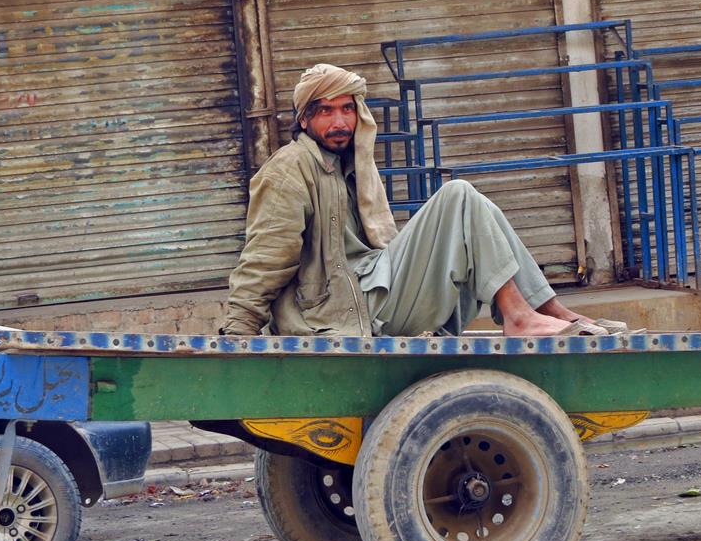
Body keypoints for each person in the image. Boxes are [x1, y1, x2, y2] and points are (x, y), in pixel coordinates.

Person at [221, 63, 625, 341]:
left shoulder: (352, 164)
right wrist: (238, 332)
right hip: (336, 316)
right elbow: (266, 257)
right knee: (458, 195)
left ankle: (551, 309)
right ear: (304, 120)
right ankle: (519, 316)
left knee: (480, 210)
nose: (340, 122)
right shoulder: (288, 169)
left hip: (371, 287)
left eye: (347, 109)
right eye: (326, 112)